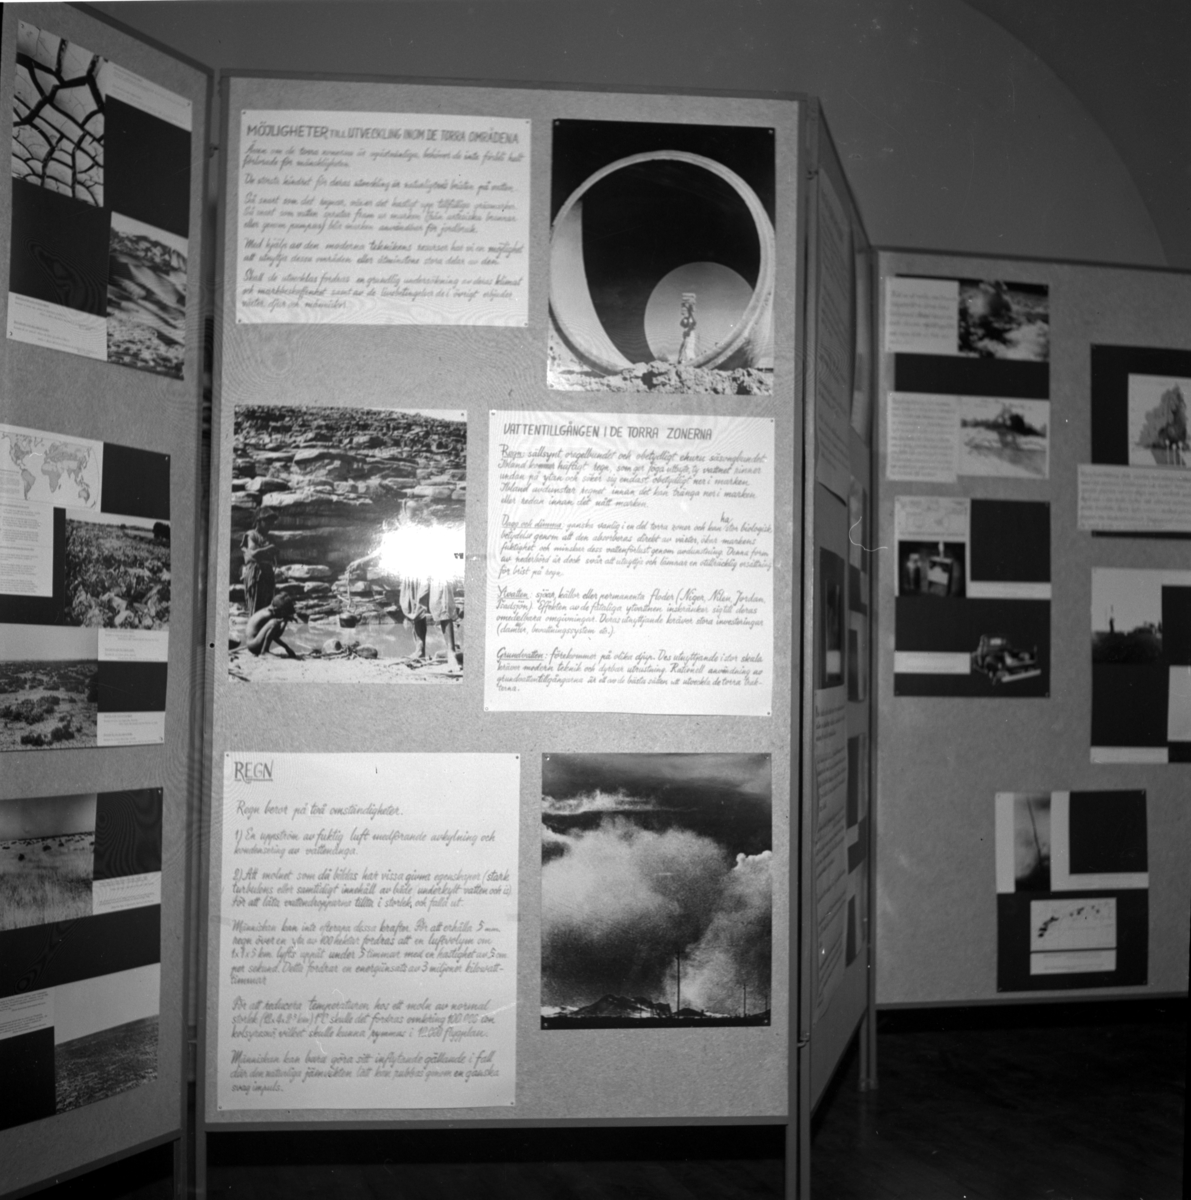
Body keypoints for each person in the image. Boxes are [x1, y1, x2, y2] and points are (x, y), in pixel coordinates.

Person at [239, 511, 278, 614]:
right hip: (256, 574)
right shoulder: (251, 535)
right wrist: (268, 549)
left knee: (267, 608)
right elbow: (254, 553)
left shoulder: (270, 538)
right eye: (268, 523)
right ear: (259, 521)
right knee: (256, 606)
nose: (270, 526)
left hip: (268, 574)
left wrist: (267, 550)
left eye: (272, 523)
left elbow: (275, 553)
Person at [238, 594, 299, 658]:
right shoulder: (268, 615)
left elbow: (274, 635)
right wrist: (285, 621)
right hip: (253, 645)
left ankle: (264, 651)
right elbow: (276, 636)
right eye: (282, 612)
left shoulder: (270, 610)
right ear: (276, 609)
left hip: (254, 643)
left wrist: (286, 647)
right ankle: (264, 652)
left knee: (275, 623)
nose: (282, 614)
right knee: (274, 622)